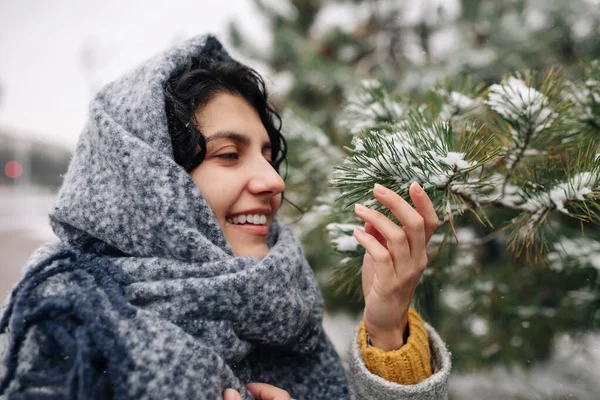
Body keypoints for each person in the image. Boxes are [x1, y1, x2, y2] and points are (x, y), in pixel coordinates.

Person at [0, 35, 450, 399]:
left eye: (268, 156)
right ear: (149, 184)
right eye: (230, 154)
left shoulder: (283, 307)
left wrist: (387, 327)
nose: (273, 181)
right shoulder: (63, 327)